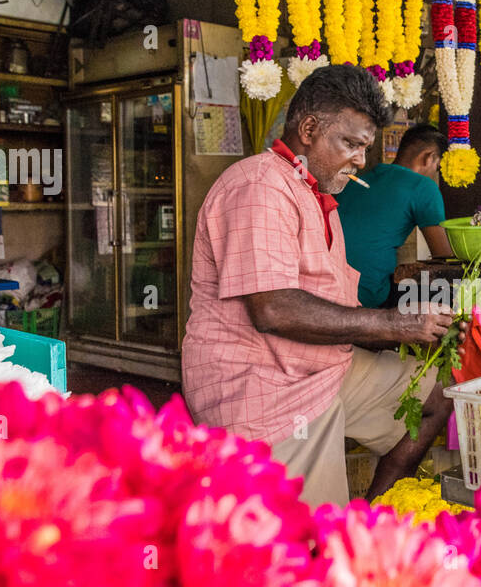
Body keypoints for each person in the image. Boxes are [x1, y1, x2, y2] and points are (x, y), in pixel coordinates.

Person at [182, 65, 464, 506]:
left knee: (439, 390)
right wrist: (396, 325)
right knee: (307, 541)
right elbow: (273, 309)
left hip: (325, 368)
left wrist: (411, 333)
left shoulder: (317, 195)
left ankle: (372, 515)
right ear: (309, 128)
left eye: (365, 148)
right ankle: (333, 542)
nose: (359, 160)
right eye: (351, 144)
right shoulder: (260, 185)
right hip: (265, 385)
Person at [336, 123, 455, 308]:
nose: (434, 174)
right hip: (368, 295)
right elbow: (444, 258)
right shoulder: (423, 187)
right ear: (429, 157)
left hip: (330, 287)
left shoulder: (363, 179)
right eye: (437, 167)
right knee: (453, 294)